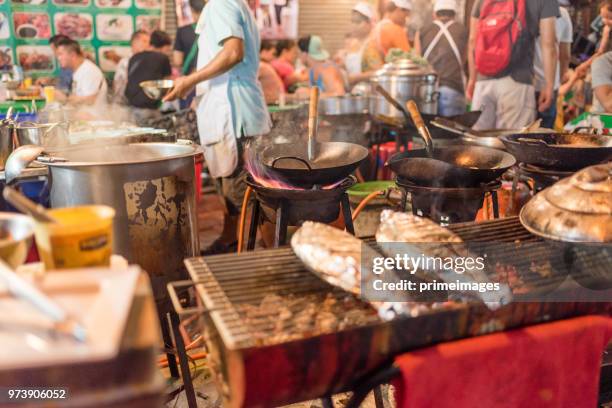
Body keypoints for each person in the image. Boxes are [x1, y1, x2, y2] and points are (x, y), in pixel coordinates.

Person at [163, 0, 271, 254]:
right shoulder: (231, 5)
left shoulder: (221, 3)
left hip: (234, 115)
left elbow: (233, 53)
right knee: (232, 189)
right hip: (234, 111)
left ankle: (273, 256)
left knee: (248, 195)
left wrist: (189, 81)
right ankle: (231, 239)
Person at [467, 0, 559, 130]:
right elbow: (549, 43)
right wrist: (549, 85)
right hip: (517, 82)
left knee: (479, 145)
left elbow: (472, 40)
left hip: (483, 82)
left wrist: (472, 79)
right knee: (512, 145)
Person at [419, 0, 468, 117]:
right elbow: (464, 59)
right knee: (451, 134)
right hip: (452, 89)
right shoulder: (463, 31)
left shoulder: (422, 31)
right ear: (454, 14)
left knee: (427, 134)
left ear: (434, 14)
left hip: (427, 91)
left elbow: (419, 62)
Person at [534, 0, 572, 128]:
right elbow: (565, 55)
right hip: (550, 86)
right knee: (543, 135)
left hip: (525, 83)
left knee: (517, 135)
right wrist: (558, 80)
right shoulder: (563, 14)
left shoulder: (524, 9)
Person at [125, 30, 173, 122]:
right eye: (168, 49)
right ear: (164, 47)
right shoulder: (162, 58)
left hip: (131, 108)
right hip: (149, 109)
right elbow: (167, 83)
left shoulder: (134, 57)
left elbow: (129, 80)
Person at [55, 40, 108, 112]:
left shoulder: (89, 71)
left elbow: (89, 101)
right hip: (83, 118)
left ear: (73, 55)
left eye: (60, 54)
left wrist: (65, 98)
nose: (58, 58)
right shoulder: (78, 69)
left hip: (94, 120)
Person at [174, 0, 205, 108]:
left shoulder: (183, 31)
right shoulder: (213, 30)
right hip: (209, 82)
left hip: (188, 83)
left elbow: (177, 61)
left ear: (191, 10)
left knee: (187, 118)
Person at [344, 2, 380, 85]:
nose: (353, 25)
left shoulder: (372, 44)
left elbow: (378, 72)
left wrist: (357, 77)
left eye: (357, 22)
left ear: (369, 23)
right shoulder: (353, 43)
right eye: (352, 21)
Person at [575, 0, 611, 80]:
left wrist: (584, 65)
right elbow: (600, 52)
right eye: (603, 17)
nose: (605, 21)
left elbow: (600, 53)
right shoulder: (606, 29)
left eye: (609, 18)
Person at [113, 30, 150, 105]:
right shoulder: (126, 62)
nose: (148, 45)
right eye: (144, 41)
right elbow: (117, 85)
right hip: (125, 105)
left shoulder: (147, 60)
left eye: (149, 42)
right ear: (134, 42)